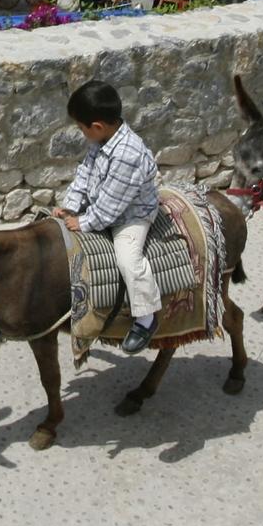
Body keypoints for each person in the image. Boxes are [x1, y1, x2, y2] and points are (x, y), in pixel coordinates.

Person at [56, 81, 163, 355]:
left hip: (131, 216)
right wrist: (71, 205)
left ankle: (146, 317)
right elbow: (85, 174)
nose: (82, 134)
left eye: (82, 129)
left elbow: (112, 207)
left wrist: (84, 222)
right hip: (105, 202)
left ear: (97, 126)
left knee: (128, 258)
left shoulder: (128, 154)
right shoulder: (101, 140)